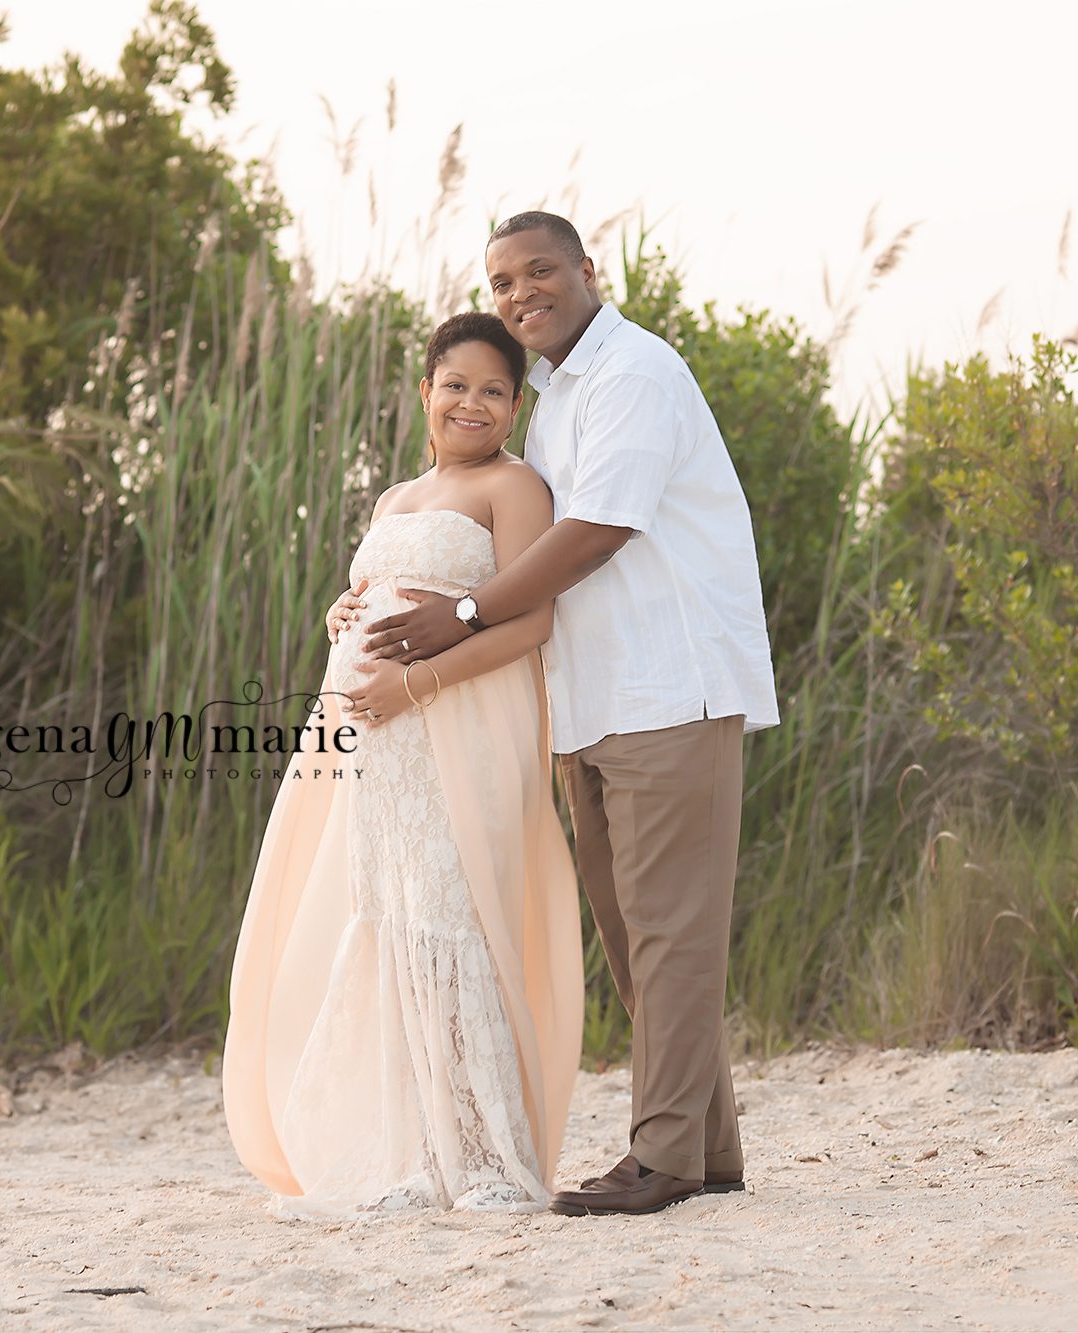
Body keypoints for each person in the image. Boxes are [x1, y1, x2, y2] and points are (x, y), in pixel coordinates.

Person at [358, 211, 779, 1217]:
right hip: (592, 701)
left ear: (588, 270)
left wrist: (459, 617)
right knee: (638, 934)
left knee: (669, 933)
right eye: (501, 281)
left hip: (665, 686)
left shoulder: (632, 375)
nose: (518, 295)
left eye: (538, 272)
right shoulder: (553, 399)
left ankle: (663, 1156)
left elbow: (593, 533)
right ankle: (705, 1148)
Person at [221, 311, 583, 1219]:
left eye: (495, 390)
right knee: (395, 924)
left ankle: (492, 1161)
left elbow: (531, 623)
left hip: (459, 731)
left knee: (459, 920)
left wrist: (414, 687)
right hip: (377, 748)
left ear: (514, 406)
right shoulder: (393, 498)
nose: (473, 402)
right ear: (425, 391)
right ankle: (419, 1159)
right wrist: (342, 617)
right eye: (456, 384)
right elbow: (375, 594)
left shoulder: (514, 487)